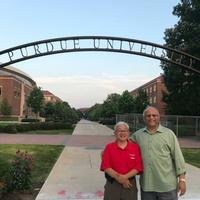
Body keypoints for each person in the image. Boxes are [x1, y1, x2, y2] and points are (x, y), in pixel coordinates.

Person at [129, 106, 186, 200]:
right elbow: (123, 145)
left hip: (167, 186)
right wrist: (107, 151)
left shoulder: (169, 134)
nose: (151, 118)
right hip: (147, 186)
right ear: (144, 118)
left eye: (154, 115)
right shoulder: (137, 135)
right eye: (148, 116)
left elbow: (178, 157)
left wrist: (182, 180)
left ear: (159, 117)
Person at [100, 121, 143, 200]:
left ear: (129, 133)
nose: (122, 133)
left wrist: (124, 178)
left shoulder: (135, 148)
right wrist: (120, 179)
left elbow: (138, 167)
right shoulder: (109, 147)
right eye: (119, 131)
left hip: (129, 184)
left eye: (125, 131)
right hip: (112, 184)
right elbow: (106, 166)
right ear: (115, 133)